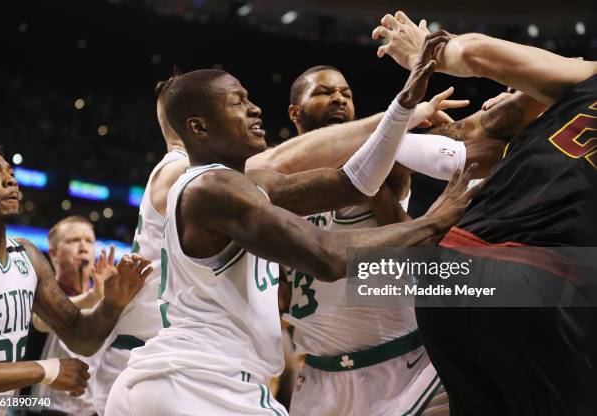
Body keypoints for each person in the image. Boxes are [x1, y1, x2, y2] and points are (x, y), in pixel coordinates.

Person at [106, 35, 479, 416]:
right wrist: (433, 222)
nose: (254, 110)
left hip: (182, 379)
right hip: (199, 382)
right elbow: (326, 257)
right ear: (199, 128)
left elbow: (352, 182)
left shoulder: (244, 185)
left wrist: (403, 106)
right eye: (238, 102)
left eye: (250, 99)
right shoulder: (211, 187)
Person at [373, 11, 597, 416]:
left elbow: (475, 51)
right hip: (534, 281)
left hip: (447, 275)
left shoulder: (582, 80)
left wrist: (423, 53)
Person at [278, 64, 450, 416]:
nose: (339, 98)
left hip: (403, 368)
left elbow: (412, 248)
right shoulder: (276, 180)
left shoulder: (386, 160)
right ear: (295, 112)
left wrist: (368, 187)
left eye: (346, 94)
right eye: (325, 92)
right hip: (319, 378)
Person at [0, 139, 152, 412]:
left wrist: (113, 301)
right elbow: (41, 328)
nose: (10, 181)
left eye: (11, 174)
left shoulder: (28, 256)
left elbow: (81, 337)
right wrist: (45, 370)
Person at [91, 79, 191, 416]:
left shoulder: (181, 168)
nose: (251, 111)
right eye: (235, 102)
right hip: (147, 356)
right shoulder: (183, 168)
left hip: (155, 354)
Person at [31, 216, 114, 416]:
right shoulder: (36, 291)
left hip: (96, 410)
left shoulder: (107, 299)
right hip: (48, 408)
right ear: (54, 253)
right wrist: (92, 297)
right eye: (73, 240)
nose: (83, 246)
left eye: (89, 241)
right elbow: (40, 322)